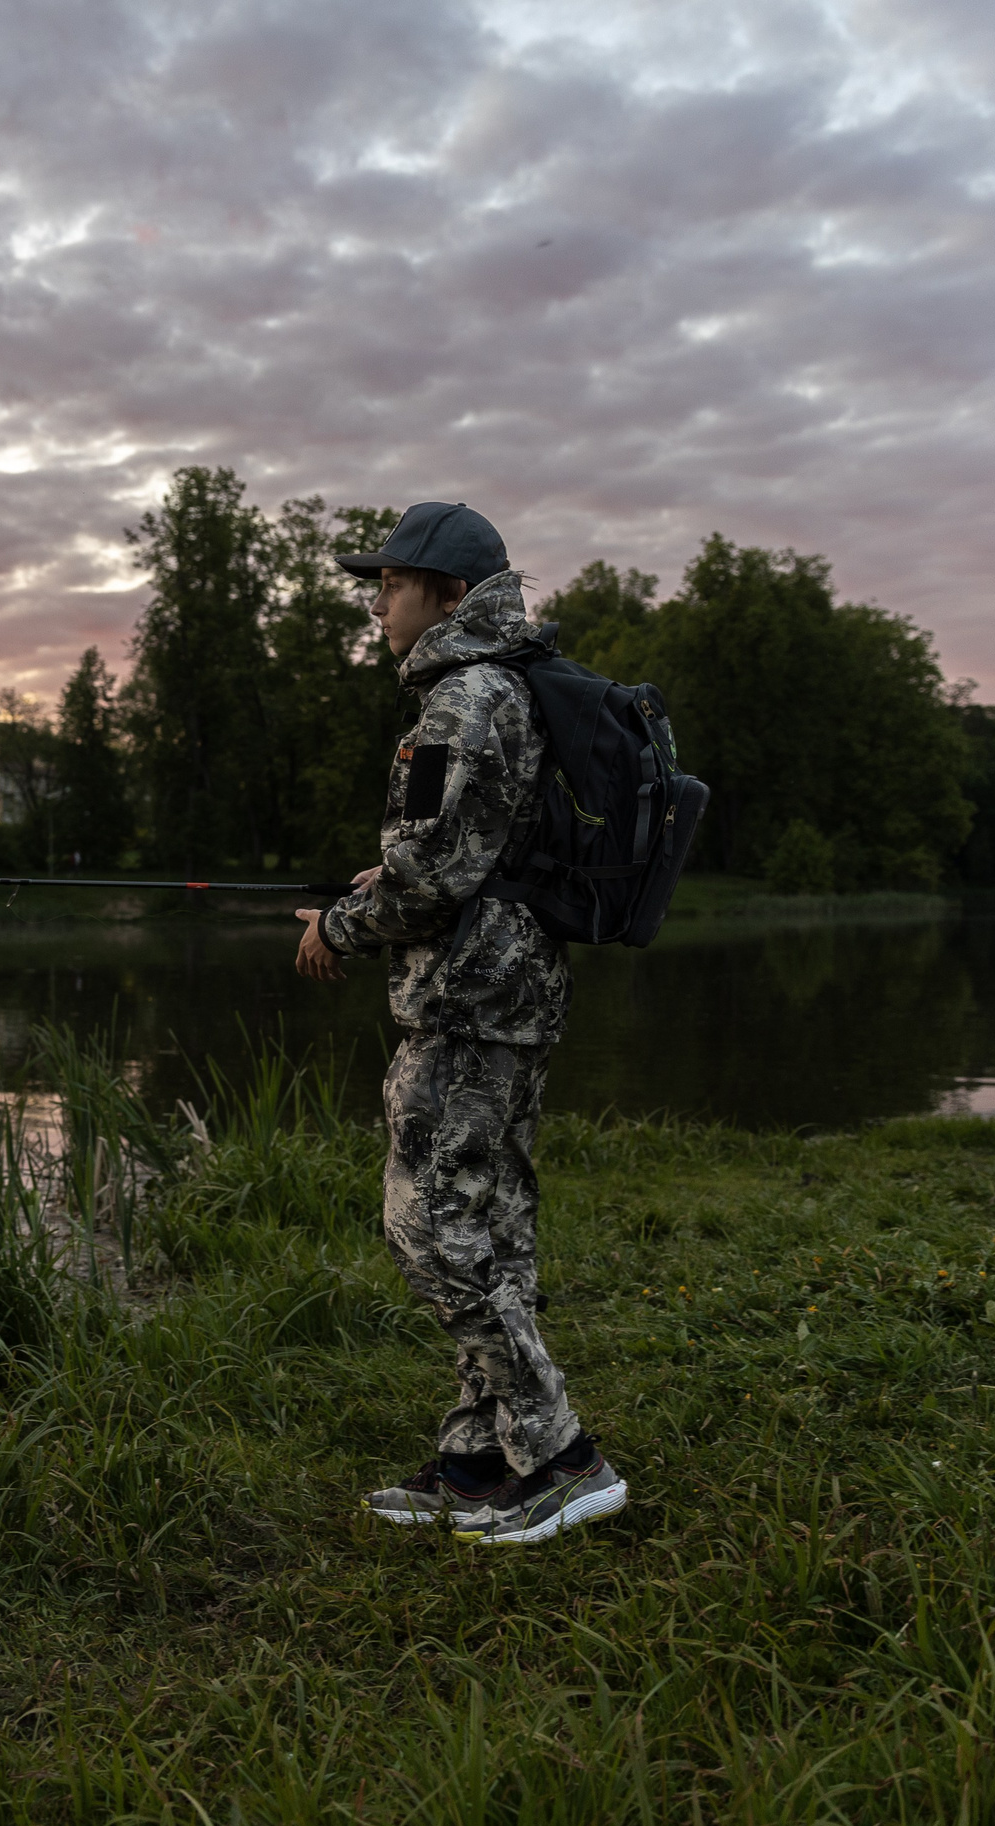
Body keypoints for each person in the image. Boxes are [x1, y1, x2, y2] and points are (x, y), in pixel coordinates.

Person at [292, 501, 627, 1547]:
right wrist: (387, 878)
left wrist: (340, 924)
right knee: (490, 1229)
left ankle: (563, 1457)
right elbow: (470, 850)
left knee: (430, 1225)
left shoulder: (464, 697)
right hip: (507, 990)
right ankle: (479, 1465)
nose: (376, 604)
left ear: (444, 593)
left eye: (388, 584)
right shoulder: (502, 685)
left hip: (470, 1000)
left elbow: (434, 874)